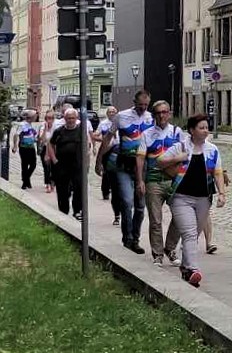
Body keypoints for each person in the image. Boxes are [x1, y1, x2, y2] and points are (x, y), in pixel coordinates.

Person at [158, 113, 226, 287]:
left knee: (193, 235)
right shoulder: (180, 146)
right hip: (181, 197)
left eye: (206, 128)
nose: (205, 131)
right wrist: (176, 159)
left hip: (204, 198)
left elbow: (218, 172)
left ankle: (186, 268)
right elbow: (160, 162)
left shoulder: (212, 149)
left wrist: (222, 193)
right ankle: (194, 269)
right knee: (188, 233)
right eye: (201, 128)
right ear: (192, 130)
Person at [97, 90, 154, 254]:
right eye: (140, 104)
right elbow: (108, 138)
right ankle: (127, 238)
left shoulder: (150, 118)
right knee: (127, 202)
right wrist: (100, 160)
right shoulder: (121, 116)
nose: (143, 108)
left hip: (143, 167)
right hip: (124, 165)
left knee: (141, 207)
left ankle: (135, 238)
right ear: (133, 102)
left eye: (146, 105)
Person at [136, 101, 182, 267]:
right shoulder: (147, 134)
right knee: (156, 219)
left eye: (164, 112)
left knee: (179, 216)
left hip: (174, 181)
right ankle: (157, 253)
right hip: (153, 181)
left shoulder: (177, 132)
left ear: (169, 113)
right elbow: (140, 158)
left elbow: (186, 153)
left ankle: (170, 248)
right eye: (158, 113)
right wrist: (140, 180)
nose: (161, 115)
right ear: (154, 115)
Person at [46, 108, 91, 218]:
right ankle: (63, 211)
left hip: (77, 164)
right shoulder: (59, 131)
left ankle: (77, 210)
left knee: (79, 188)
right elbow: (50, 144)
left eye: (73, 118)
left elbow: (87, 144)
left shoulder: (81, 130)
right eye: (68, 118)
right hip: (62, 165)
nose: (71, 120)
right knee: (62, 190)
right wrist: (54, 159)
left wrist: (87, 160)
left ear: (76, 119)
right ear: (65, 119)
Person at [13, 109, 38, 190]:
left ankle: (26, 179)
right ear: (30, 117)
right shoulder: (23, 124)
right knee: (25, 165)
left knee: (33, 165)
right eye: (35, 116)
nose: (36, 117)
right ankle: (25, 182)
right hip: (24, 147)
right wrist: (15, 146)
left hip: (31, 147)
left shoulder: (30, 125)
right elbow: (16, 135)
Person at [37, 110, 56, 193]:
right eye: (48, 118)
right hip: (45, 148)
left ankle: (53, 182)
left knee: (54, 167)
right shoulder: (42, 126)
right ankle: (47, 184)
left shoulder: (56, 126)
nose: (50, 120)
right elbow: (42, 139)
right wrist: (46, 129)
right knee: (46, 167)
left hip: (54, 148)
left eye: (52, 118)